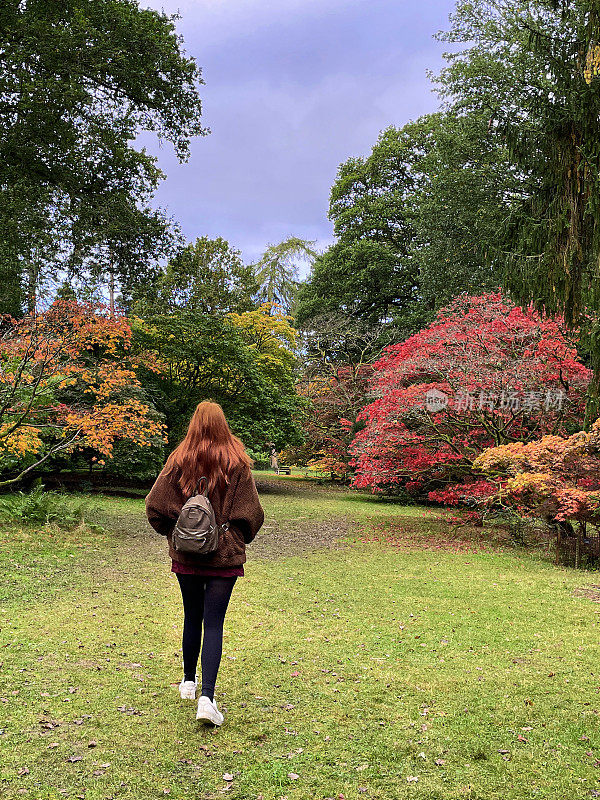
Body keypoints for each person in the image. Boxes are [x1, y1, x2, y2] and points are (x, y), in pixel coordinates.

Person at [145, 401, 264, 726]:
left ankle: (188, 681)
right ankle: (207, 698)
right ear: (223, 425)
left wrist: (176, 533)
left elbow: (154, 505)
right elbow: (252, 513)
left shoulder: (179, 459)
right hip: (224, 557)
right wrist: (235, 536)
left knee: (191, 615)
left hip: (186, 555)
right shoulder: (237, 463)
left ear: (194, 424)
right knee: (213, 623)